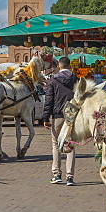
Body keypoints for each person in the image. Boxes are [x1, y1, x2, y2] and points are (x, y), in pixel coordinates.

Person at [43, 56, 78, 185]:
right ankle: (70, 176)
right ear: (70, 66)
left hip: (57, 115)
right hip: (71, 115)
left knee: (56, 144)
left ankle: (57, 174)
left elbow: (49, 100)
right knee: (70, 145)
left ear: (59, 66)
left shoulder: (53, 80)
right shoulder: (75, 79)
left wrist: (45, 117)